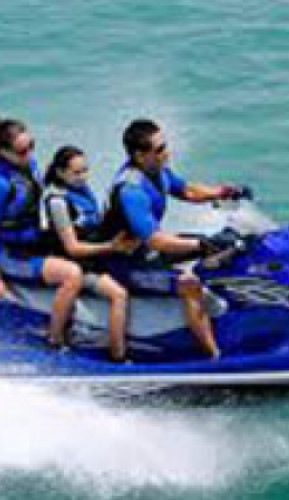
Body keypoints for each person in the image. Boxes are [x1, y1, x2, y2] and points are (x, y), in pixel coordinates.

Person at [101, 118, 250, 359]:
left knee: (224, 248)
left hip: (149, 253)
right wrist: (202, 244)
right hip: (126, 265)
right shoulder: (131, 191)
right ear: (140, 155)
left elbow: (187, 190)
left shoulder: (157, 171)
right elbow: (156, 241)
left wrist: (224, 192)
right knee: (190, 285)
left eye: (165, 145)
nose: (167, 152)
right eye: (159, 149)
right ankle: (214, 356)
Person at [0, 116, 83, 349]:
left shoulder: (28, 166)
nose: (30, 154)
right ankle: (55, 339)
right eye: (23, 151)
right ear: (2, 152)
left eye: (32, 146)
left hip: (35, 242)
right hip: (13, 255)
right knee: (72, 274)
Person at [40, 145, 135, 362]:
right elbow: (72, 248)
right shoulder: (58, 202)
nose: (83, 177)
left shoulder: (82, 191)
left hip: (96, 256)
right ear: (61, 172)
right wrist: (111, 247)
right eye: (77, 172)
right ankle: (118, 356)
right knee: (119, 294)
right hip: (76, 263)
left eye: (85, 170)